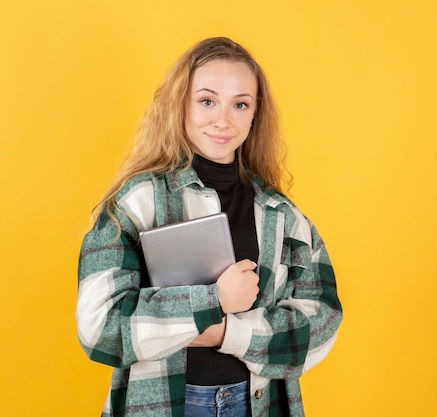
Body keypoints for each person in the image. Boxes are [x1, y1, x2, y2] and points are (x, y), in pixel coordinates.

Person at [76, 36, 342, 417]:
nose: (223, 120)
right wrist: (213, 300)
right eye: (207, 100)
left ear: (255, 114)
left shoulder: (281, 214)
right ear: (180, 104)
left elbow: (321, 323)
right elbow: (100, 328)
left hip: (258, 406)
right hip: (164, 406)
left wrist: (223, 333)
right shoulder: (134, 202)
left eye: (240, 104)